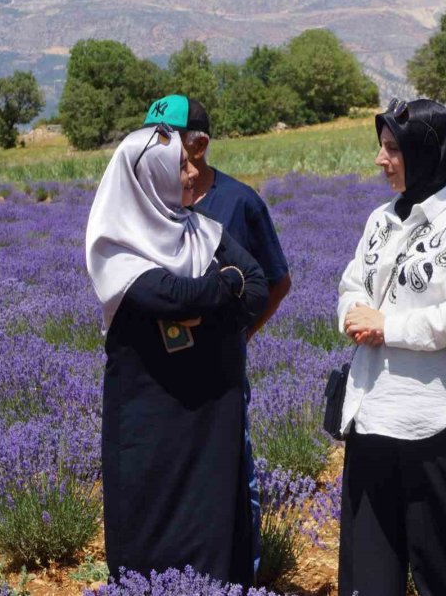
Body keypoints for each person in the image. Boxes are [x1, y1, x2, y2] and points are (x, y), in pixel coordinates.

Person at [85, 124, 268, 583]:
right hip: (151, 421)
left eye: (190, 161)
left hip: (211, 414)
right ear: (148, 178)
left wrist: (205, 305)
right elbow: (170, 295)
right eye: (181, 166)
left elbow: (258, 286)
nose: (193, 173)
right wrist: (225, 285)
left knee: (213, 519)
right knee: (149, 520)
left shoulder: (205, 230)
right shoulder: (115, 247)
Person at [336, 99, 446, 596]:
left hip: (435, 419)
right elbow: (349, 286)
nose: (381, 161)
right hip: (371, 413)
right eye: (381, 148)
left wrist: (386, 326)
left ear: (426, 152)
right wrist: (352, 316)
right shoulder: (379, 220)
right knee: (369, 568)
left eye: (392, 150)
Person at [145, 95, 291, 574]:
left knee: (233, 471)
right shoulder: (150, 204)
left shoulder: (239, 202)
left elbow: (276, 280)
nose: (154, 148)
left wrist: (242, 334)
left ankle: (238, 574)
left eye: (167, 139)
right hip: (163, 375)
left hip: (222, 369)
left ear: (200, 144)